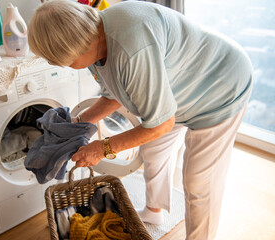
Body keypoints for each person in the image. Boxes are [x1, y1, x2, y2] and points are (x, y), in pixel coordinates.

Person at [28, 0, 253, 239]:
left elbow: (161, 124)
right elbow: (115, 94)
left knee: (199, 184)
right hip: (174, 93)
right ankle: (154, 212)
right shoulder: (95, 39)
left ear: (80, 45)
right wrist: (77, 123)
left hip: (220, 87)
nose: (69, 67)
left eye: (68, 62)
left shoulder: (132, 47)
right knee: (154, 151)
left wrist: (102, 149)